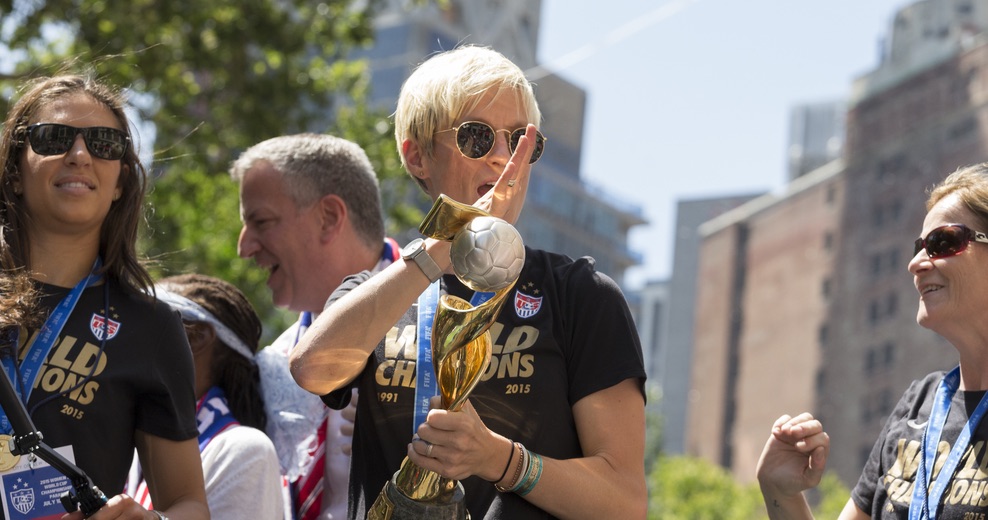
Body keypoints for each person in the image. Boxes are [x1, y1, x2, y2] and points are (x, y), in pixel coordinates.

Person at [290, 45, 648, 519]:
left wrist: (500, 460)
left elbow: (624, 503)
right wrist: (446, 243)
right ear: (417, 157)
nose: (503, 157)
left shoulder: (579, 293)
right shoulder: (378, 289)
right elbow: (312, 368)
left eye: (523, 140)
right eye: (478, 138)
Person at [0, 74, 207, 519]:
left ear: (119, 182)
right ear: (14, 172)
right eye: (53, 138)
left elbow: (188, 504)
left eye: (103, 143)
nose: (79, 155)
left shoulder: (151, 327)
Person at [756, 162, 988, 519]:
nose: (916, 263)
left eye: (942, 242)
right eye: (919, 247)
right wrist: (781, 493)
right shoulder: (919, 405)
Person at [230, 133, 399, 520]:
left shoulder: (447, 322)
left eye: (261, 222)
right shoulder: (272, 364)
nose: (244, 247)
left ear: (328, 218)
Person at [125, 273, 285, 519]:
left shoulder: (245, 450)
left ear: (198, 337)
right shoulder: (143, 440)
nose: (128, 335)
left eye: (149, 321)